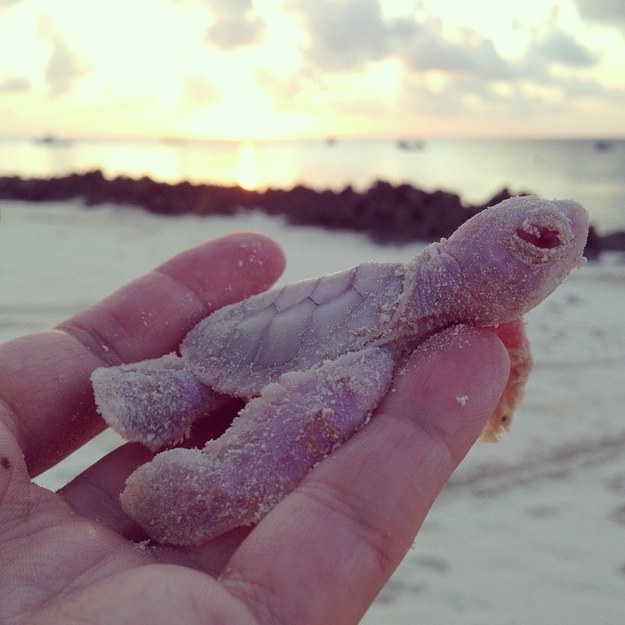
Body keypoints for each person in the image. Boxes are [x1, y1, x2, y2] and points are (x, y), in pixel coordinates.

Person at [0, 233, 509, 625]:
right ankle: (164, 410)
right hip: (287, 338)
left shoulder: (463, 313)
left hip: (272, 330)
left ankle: (158, 402)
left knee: (264, 389)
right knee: (312, 398)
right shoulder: (394, 330)